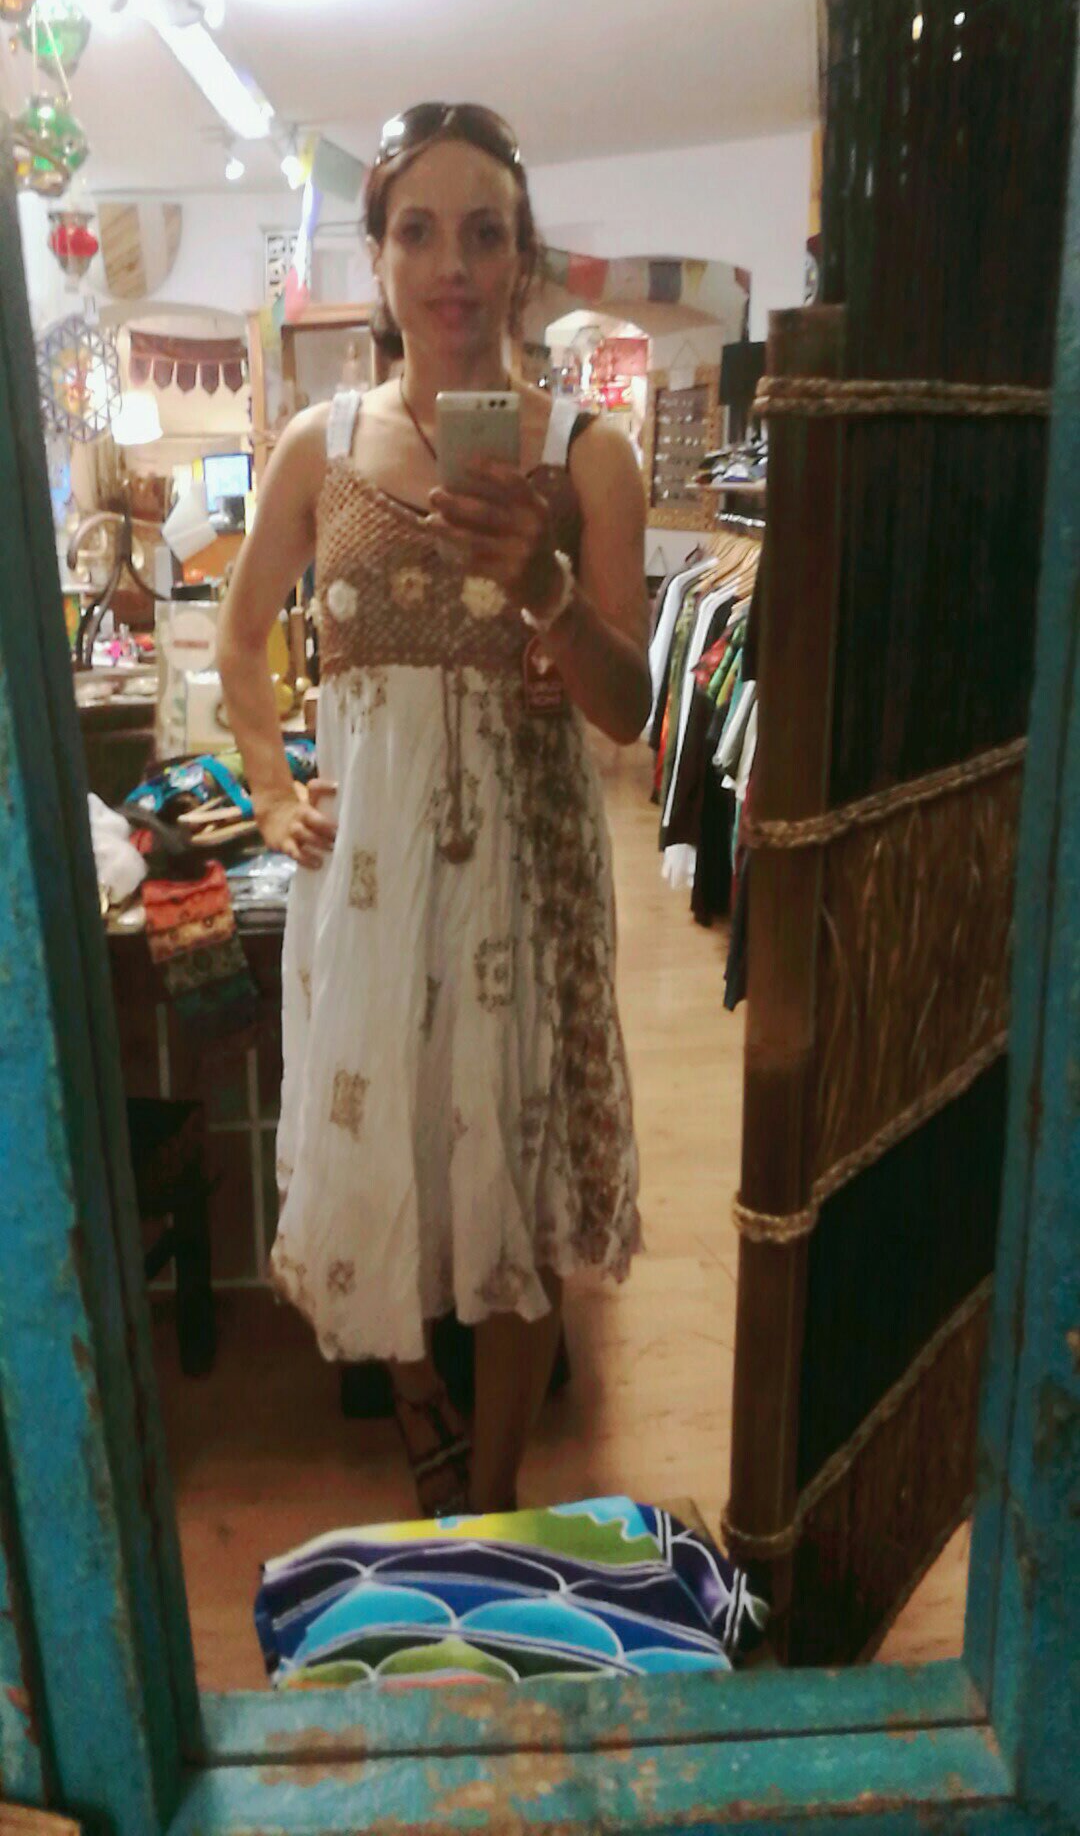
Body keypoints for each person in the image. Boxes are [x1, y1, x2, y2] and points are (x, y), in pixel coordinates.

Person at [217, 103, 649, 1518]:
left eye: (485, 233)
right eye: (419, 231)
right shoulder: (317, 447)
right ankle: (419, 1414)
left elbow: (628, 706)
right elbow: (238, 640)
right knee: (378, 1147)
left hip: (526, 878)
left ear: (521, 260)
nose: (452, 265)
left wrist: (547, 588)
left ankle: (499, 1496)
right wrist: (269, 787)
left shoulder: (588, 456)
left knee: (515, 1175)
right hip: (367, 883)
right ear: (379, 256)